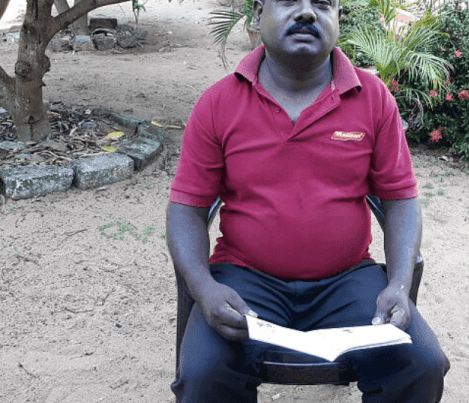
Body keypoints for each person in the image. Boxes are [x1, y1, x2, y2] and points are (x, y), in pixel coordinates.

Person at [166, 0, 450, 401]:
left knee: (421, 363)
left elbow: (400, 198)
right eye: (288, 1)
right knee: (203, 372)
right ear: (258, 13)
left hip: (348, 281)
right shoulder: (218, 102)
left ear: (338, 18)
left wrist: (399, 284)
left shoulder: (373, 98)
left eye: (322, 4)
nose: (305, 13)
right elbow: (187, 209)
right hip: (246, 280)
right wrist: (204, 287)